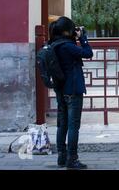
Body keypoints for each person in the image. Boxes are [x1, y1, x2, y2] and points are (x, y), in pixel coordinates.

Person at [49, 16, 93, 169]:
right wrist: (83, 38)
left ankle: (62, 156)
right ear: (67, 31)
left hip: (60, 90)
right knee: (73, 125)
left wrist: (74, 37)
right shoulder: (67, 46)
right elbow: (88, 53)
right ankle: (72, 159)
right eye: (73, 29)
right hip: (73, 89)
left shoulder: (54, 44)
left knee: (62, 124)